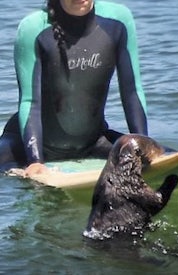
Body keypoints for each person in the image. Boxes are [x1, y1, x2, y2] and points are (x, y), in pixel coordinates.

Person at [0, 0, 148, 176]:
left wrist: (144, 147)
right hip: (26, 145)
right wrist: (35, 161)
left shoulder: (118, 21)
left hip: (92, 143)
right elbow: (29, 100)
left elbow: (131, 90)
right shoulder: (33, 28)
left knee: (163, 154)